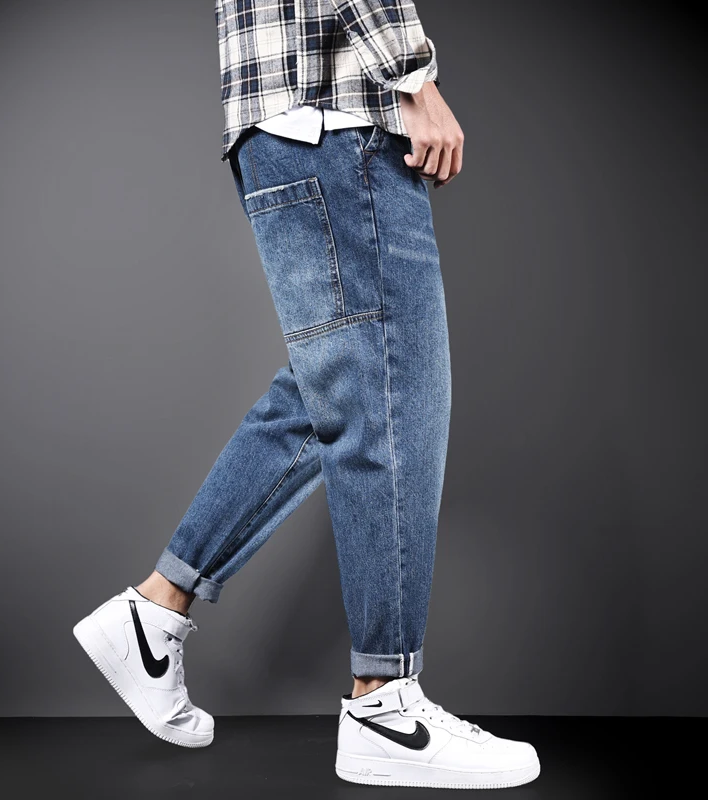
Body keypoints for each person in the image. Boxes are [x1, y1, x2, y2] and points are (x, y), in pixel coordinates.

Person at [73, 0, 540, 789]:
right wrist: (414, 78)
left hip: (285, 128)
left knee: (347, 384)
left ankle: (153, 614)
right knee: (391, 391)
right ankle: (385, 705)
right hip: (339, 123)